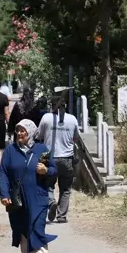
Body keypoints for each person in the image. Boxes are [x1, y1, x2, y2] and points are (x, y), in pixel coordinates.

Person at [0, 119, 57, 253]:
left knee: (37, 227)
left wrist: (46, 170)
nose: (19, 134)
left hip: (38, 196)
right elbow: (3, 173)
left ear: (30, 132)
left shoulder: (41, 150)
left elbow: (53, 171)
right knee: (22, 229)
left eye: (23, 131)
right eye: (17, 130)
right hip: (17, 198)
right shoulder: (11, 151)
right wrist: (4, 194)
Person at [37, 93, 81, 223]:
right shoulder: (72, 119)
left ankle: (51, 202)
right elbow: (76, 137)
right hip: (66, 158)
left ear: (51, 105)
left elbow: (39, 136)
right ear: (65, 105)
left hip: (47, 157)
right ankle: (61, 216)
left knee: (47, 185)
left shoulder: (46, 118)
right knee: (65, 188)